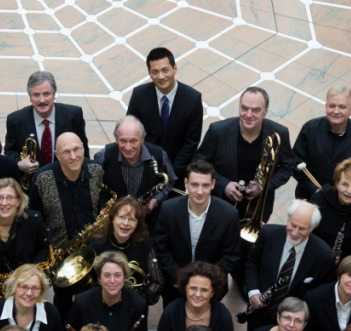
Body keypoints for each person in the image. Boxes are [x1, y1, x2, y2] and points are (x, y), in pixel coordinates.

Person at [194, 86, 297, 288]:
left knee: (247, 248)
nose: (248, 115)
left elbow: (287, 167)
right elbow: (199, 163)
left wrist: (264, 186)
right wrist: (223, 185)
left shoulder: (279, 133)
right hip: (222, 203)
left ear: (265, 111)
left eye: (256, 110)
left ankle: (241, 279)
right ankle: (212, 280)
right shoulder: (218, 130)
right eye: (244, 108)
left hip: (258, 206)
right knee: (217, 242)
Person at [28, 132, 106, 317]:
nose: (73, 156)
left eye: (77, 149)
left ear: (83, 148)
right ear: (57, 155)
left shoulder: (96, 170)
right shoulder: (42, 178)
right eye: (66, 152)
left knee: (95, 301)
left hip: (95, 251)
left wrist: (103, 210)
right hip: (61, 255)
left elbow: (105, 195)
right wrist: (43, 256)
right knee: (62, 304)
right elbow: (34, 220)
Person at [151, 160, 241, 306]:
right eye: (194, 185)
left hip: (210, 288)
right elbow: (160, 247)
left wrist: (205, 282)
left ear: (213, 184)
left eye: (205, 185)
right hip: (175, 286)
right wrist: (178, 277)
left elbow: (230, 256)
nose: (200, 191)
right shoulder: (168, 209)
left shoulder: (229, 214)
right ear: (186, 183)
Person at [243, 199, 335, 331]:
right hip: (259, 314)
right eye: (293, 225)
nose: (295, 232)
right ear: (288, 219)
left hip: (293, 325)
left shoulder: (325, 257)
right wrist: (253, 291)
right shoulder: (268, 233)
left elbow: (322, 294)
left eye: (302, 228)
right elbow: (253, 262)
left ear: (313, 228)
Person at [65, 251, 149, 331]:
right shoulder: (82, 302)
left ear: (125, 277)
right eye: (107, 275)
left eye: (117, 275)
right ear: (99, 277)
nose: (112, 281)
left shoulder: (138, 304)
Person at [125, 47, 204, 183]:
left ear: (175, 68)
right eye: (155, 72)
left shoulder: (193, 98)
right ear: (149, 73)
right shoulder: (139, 95)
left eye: (165, 70)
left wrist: (171, 173)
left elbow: (191, 142)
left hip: (177, 172)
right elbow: (131, 131)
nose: (161, 76)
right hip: (144, 168)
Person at [292, 86, 351, 200]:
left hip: (343, 200)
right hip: (309, 196)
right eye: (332, 106)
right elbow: (295, 162)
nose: (336, 111)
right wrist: (314, 189)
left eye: (342, 107)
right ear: (326, 107)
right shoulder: (310, 128)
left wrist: (347, 192)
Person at [3, 70, 90, 178]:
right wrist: (19, 163)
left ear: (54, 95)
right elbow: (10, 150)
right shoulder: (15, 120)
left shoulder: (73, 115)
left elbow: (83, 149)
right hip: (33, 183)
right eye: (36, 95)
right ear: (30, 97)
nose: (42, 100)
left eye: (46, 94)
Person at [93, 115, 177, 215]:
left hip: (148, 221)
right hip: (114, 220)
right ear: (116, 140)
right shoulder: (103, 156)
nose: (128, 147)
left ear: (142, 139)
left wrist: (155, 200)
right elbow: (95, 186)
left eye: (133, 141)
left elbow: (170, 182)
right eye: (123, 141)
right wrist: (103, 207)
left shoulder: (159, 155)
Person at [90, 196, 163, 305]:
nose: (126, 223)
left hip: (134, 307)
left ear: (138, 223)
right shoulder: (96, 245)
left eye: (132, 219)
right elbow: (88, 283)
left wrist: (137, 301)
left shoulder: (145, 244)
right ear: (112, 218)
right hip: (101, 304)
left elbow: (158, 282)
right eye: (122, 217)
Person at [308, 157, 351, 264]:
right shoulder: (319, 199)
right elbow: (309, 234)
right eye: (344, 184)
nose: (349, 191)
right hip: (318, 257)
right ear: (336, 183)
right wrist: (324, 253)